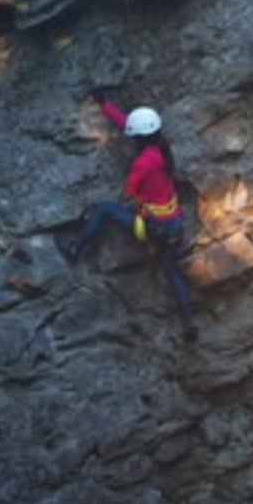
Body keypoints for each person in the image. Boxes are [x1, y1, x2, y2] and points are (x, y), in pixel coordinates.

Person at [69, 89, 198, 343]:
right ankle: (189, 320)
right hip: (174, 225)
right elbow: (128, 125)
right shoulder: (162, 150)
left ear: (140, 137)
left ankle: (76, 249)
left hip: (154, 227)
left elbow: (131, 191)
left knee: (105, 209)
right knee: (171, 271)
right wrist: (105, 104)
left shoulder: (143, 164)